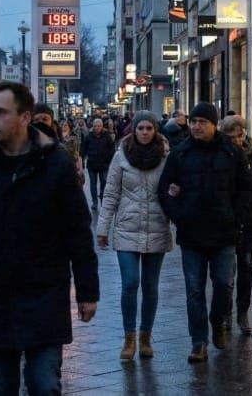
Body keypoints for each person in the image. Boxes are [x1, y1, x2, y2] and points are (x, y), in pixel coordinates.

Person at [0, 81, 98, 396]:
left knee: (45, 384)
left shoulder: (55, 165)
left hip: (44, 293)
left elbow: (78, 231)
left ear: (24, 118)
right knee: (1, 387)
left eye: (1, 112)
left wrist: (87, 290)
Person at [158, 102, 252, 363]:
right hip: (192, 233)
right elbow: (164, 188)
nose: (196, 126)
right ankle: (198, 341)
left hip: (224, 232)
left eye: (202, 122)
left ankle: (219, 322)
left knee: (224, 285)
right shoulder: (180, 154)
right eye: (193, 121)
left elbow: (248, 189)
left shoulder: (232, 153)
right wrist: (178, 214)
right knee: (194, 290)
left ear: (214, 125)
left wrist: (236, 216)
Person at [95, 110, 173, 361]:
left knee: (150, 287)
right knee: (130, 283)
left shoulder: (165, 157)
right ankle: (128, 337)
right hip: (127, 227)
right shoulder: (121, 157)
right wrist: (102, 228)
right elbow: (110, 194)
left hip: (156, 227)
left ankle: (145, 336)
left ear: (155, 131)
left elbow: (174, 189)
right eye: (141, 128)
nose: (144, 133)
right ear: (134, 130)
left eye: (149, 128)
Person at [218, 115, 252, 335]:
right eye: (233, 137)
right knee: (227, 272)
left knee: (246, 268)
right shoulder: (219, 156)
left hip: (247, 220)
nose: (238, 141)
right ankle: (227, 312)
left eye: (240, 136)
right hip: (227, 221)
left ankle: (243, 312)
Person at [82, 117, 116, 211]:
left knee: (104, 183)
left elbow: (111, 149)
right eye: (95, 126)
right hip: (92, 164)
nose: (97, 128)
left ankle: (102, 200)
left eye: (99, 126)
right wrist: (83, 160)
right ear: (93, 126)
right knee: (93, 184)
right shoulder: (88, 136)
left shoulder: (107, 136)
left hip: (104, 164)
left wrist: (109, 160)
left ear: (102, 126)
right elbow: (84, 149)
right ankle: (94, 202)